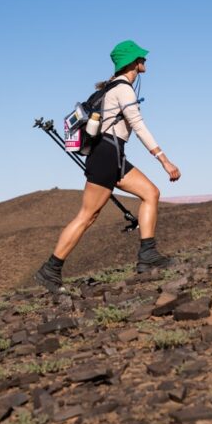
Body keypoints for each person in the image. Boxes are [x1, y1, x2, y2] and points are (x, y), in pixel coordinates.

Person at [34, 40, 181, 295]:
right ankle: (50, 269)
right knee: (87, 215)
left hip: (113, 154)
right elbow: (138, 125)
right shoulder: (123, 89)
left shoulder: (113, 87)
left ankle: (148, 255)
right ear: (133, 62)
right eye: (141, 58)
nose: (145, 61)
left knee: (151, 193)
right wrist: (164, 160)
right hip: (106, 155)